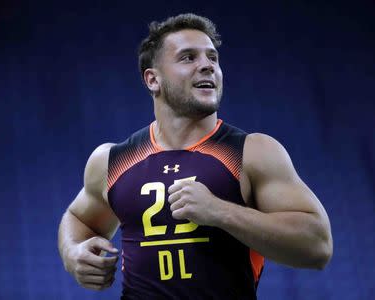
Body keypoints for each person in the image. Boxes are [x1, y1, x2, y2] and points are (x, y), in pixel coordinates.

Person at [57, 13, 333, 299]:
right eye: (188, 57)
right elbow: (78, 218)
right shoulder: (111, 160)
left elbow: (317, 247)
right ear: (153, 80)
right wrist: (73, 252)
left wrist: (220, 211)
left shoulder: (253, 152)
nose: (207, 66)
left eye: (212, 58)